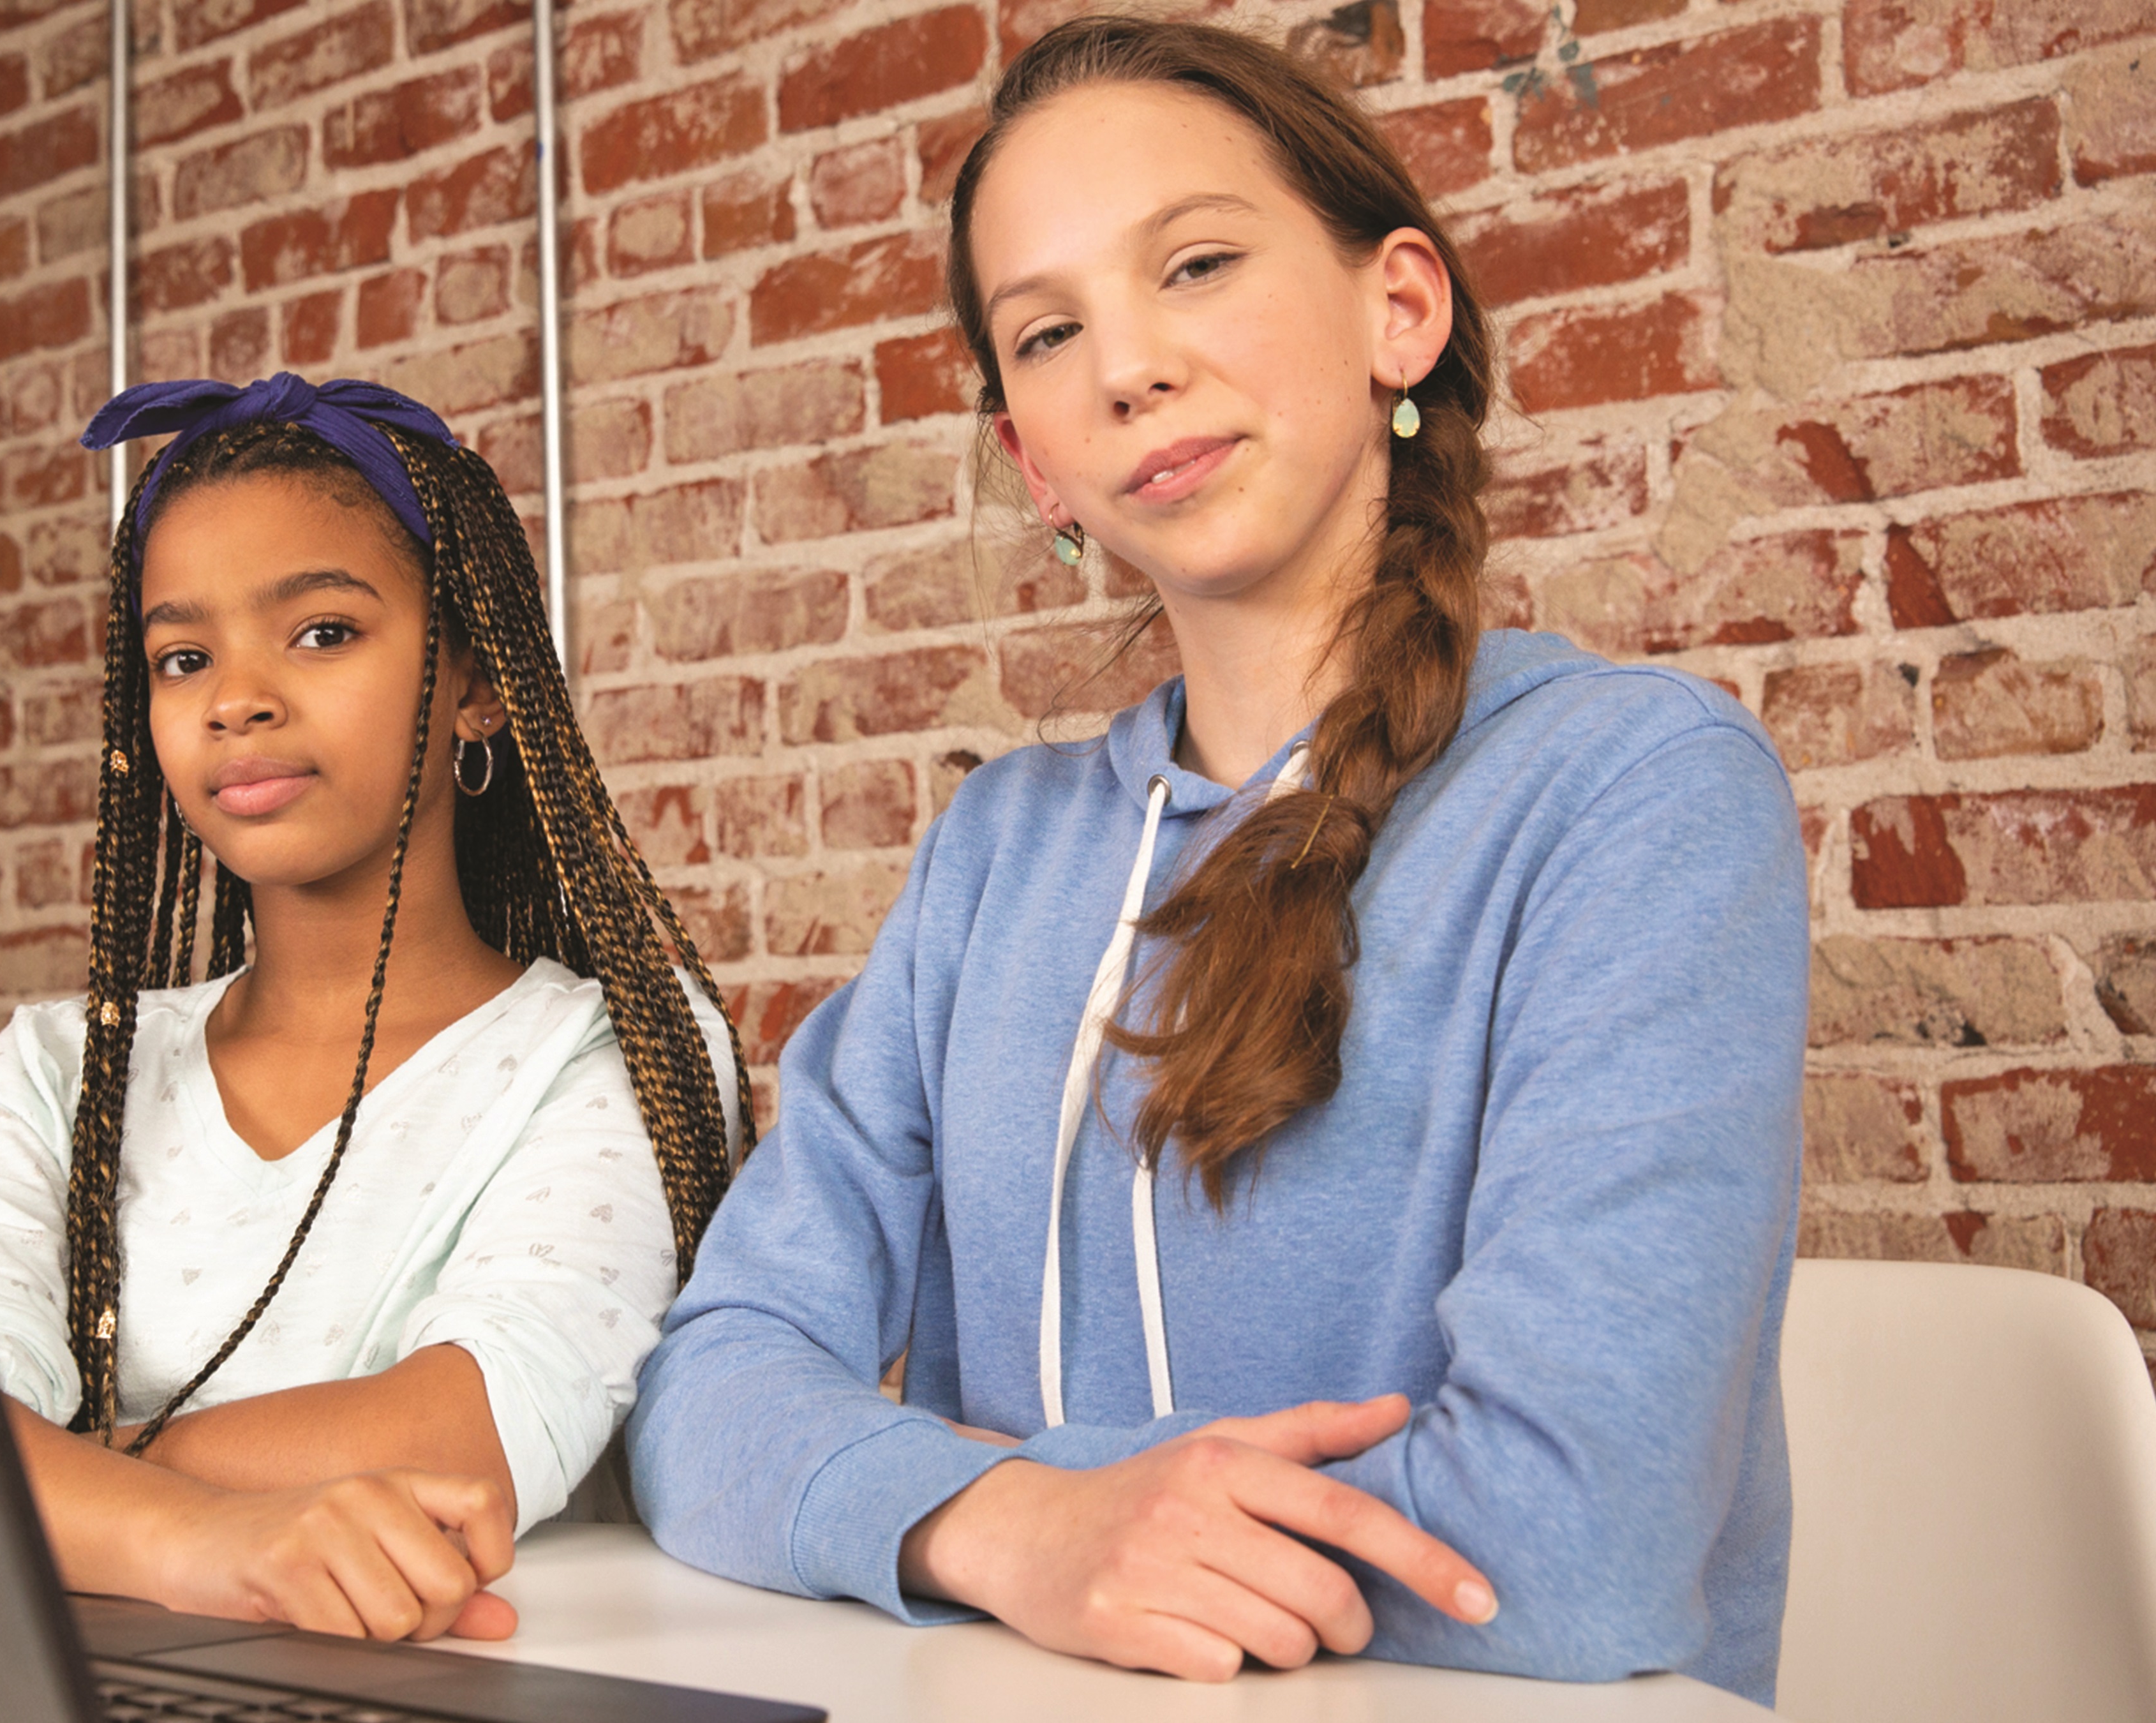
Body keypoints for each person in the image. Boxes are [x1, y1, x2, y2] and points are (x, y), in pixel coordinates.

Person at [626, 16, 1804, 1705]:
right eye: (1050, 330)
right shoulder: (993, 855)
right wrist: (1022, 1525)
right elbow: (710, 1392)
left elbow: (1568, 1541)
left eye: (1194, 264)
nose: (1128, 365)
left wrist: (985, 1492)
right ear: (1037, 461)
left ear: (1400, 308)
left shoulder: (1636, 793)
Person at [0, 375, 745, 1646]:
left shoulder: (612, 1050)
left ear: (476, 683)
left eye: (321, 633)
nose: (235, 697)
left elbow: (471, 1433)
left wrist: (66, 1471)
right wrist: (202, 1539)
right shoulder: (51, 1076)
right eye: (183, 656)